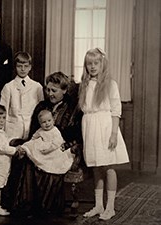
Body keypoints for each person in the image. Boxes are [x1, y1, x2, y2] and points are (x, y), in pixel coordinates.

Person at [2, 71, 83, 216]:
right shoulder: (41, 106)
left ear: (64, 90)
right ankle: (25, 205)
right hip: (40, 144)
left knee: (49, 162)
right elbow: (34, 131)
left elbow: (78, 134)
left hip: (62, 147)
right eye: (48, 89)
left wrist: (65, 146)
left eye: (54, 90)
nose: (49, 93)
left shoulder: (73, 108)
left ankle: (45, 206)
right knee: (27, 158)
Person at [79, 48, 129, 220]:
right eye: (89, 64)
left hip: (105, 126)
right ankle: (99, 205)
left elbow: (116, 110)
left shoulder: (110, 84)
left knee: (108, 167)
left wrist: (114, 133)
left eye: (96, 63)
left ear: (102, 64)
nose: (92, 67)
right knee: (96, 167)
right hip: (89, 126)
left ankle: (110, 207)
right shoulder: (84, 84)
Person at [0, 104, 23, 216]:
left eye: (3, 118)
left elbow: (5, 141)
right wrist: (15, 149)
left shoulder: (0, 132)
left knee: (1, 185)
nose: (2, 121)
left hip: (3, 163)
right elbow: (2, 148)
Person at [0, 51, 44, 140]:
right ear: (15, 67)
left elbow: (41, 111)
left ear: (30, 67)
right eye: (19, 66)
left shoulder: (37, 86)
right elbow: (3, 111)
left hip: (32, 129)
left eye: (26, 66)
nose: (23, 69)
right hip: (13, 130)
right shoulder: (8, 87)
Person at [19, 109, 74, 174]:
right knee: (33, 144)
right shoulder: (40, 131)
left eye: (49, 120)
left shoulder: (55, 130)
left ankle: (46, 166)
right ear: (40, 124)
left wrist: (49, 149)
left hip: (53, 148)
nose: (47, 123)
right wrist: (31, 144)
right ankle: (23, 150)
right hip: (43, 148)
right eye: (44, 122)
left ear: (53, 120)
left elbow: (57, 142)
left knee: (54, 158)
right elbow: (34, 137)